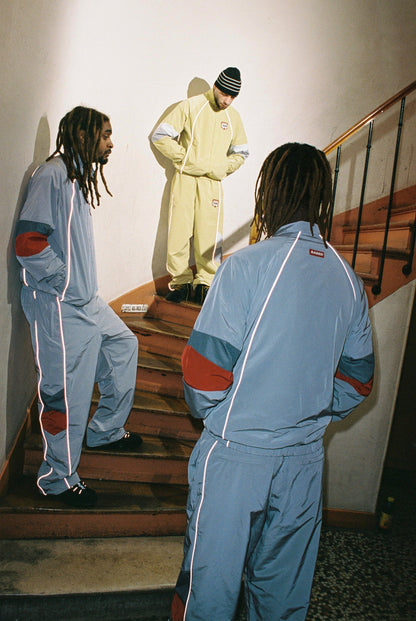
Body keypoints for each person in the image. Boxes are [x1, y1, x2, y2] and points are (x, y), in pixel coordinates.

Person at [170, 143, 375, 620]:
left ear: (270, 192)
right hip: (304, 466)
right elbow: (358, 381)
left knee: (207, 597)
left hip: (236, 459)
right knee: (282, 600)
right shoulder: (348, 280)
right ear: (321, 196)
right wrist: (309, 412)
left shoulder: (245, 266)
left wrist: (226, 418)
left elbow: (203, 375)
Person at [15, 106, 142, 509]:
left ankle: (104, 430)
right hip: (58, 305)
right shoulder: (51, 175)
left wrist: (77, 288)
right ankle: (57, 478)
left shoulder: (76, 179)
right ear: (84, 135)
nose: (111, 143)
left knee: (124, 345)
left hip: (85, 301)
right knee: (64, 393)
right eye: (105, 134)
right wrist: (64, 284)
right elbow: (28, 243)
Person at [151, 67, 249, 305]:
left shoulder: (233, 117)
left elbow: (242, 152)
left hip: (212, 183)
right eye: (224, 94)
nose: (227, 101)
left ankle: (206, 283)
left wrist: (222, 168)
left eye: (232, 96)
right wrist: (186, 159)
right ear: (215, 87)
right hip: (185, 179)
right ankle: (181, 283)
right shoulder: (190, 106)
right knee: (179, 231)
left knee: (210, 235)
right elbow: (160, 136)